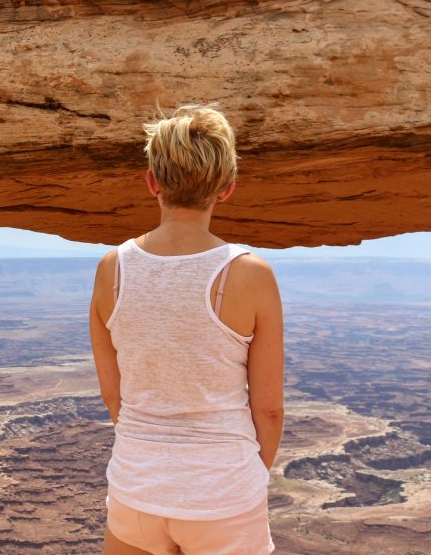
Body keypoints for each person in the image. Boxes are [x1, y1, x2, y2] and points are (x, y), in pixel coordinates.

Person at [89, 102, 284, 555]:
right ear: (227, 189)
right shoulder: (250, 274)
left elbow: (112, 395)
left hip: (135, 487)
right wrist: (249, 477)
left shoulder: (111, 269)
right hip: (222, 492)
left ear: (152, 182)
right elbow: (270, 408)